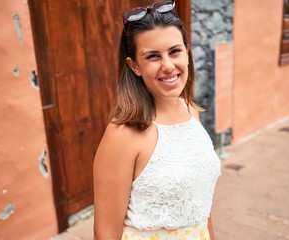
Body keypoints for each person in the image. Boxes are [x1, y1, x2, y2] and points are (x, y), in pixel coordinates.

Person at [93, 1, 221, 239]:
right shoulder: (123, 134)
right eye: (153, 56)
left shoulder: (192, 112)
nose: (168, 66)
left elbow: (202, 207)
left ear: (187, 51)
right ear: (134, 66)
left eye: (175, 51)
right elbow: (105, 233)